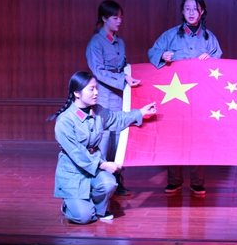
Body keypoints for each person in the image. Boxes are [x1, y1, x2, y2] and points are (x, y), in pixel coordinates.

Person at [47, 71, 157, 224]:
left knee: (109, 183)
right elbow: (76, 153)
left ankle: (98, 209)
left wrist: (141, 112)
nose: (96, 93)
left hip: (94, 166)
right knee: (83, 217)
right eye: (91, 89)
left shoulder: (98, 111)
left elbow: (117, 118)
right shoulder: (65, 120)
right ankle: (71, 206)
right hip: (74, 172)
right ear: (77, 93)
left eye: (96, 88)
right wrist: (103, 165)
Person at [148, 0, 222, 195]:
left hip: (200, 97)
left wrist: (211, 60)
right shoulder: (170, 35)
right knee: (175, 136)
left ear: (202, 11)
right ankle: (174, 180)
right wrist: (162, 55)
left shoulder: (209, 38)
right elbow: (152, 52)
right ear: (182, 11)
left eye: (195, 9)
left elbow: (220, 64)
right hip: (175, 96)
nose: (191, 13)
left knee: (198, 137)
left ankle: (197, 181)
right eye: (187, 9)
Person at [86, 0, 140, 196]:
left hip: (120, 97)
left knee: (119, 141)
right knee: (103, 141)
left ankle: (117, 181)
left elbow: (124, 66)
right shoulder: (95, 43)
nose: (119, 21)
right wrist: (122, 78)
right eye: (115, 17)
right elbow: (98, 71)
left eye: (120, 17)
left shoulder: (120, 42)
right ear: (104, 18)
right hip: (102, 98)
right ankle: (100, 182)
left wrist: (130, 75)